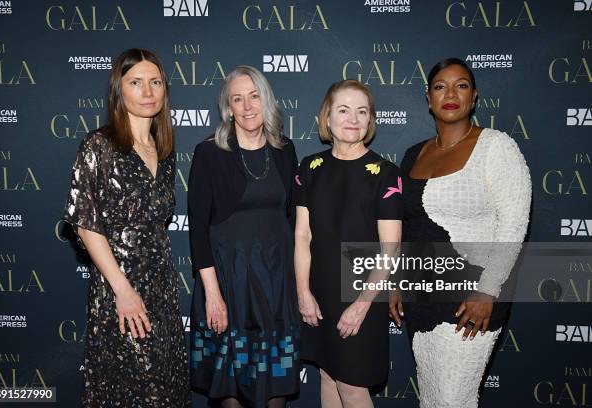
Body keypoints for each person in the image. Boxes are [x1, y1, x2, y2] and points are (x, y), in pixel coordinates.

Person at [391, 57, 532, 407]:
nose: (450, 93)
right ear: (428, 97)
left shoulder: (495, 147)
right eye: (440, 86)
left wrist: (488, 292)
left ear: (474, 97)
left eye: (461, 85)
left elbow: (514, 223)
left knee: (456, 398)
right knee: (433, 398)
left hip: (472, 299)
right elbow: (409, 227)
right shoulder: (413, 155)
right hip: (421, 297)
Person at [62, 48, 190, 406]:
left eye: (155, 82)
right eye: (136, 83)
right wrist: (123, 290)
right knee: (128, 390)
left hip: (161, 288)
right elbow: (86, 225)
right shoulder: (99, 146)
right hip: (119, 289)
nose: (148, 91)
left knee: (165, 388)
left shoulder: (163, 150)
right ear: (120, 90)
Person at [188, 65, 300, 408]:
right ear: (228, 108)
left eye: (254, 96)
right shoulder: (209, 153)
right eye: (238, 99)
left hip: (276, 288)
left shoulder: (285, 150)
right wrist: (213, 295)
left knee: (276, 390)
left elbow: (294, 221)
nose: (248, 106)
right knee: (231, 391)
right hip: (228, 285)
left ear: (266, 101)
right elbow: (198, 232)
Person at [294, 79, 403, 408]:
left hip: (364, 294)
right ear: (327, 118)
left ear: (370, 120)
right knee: (328, 375)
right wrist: (303, 293)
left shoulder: (385, 174)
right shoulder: (310, 167)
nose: (353, 118)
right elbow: (302, 235)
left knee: (353, 386)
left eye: (362, 111)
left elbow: (391, 249)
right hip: (319, 293)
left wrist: (361, 306)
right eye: (343, 110)